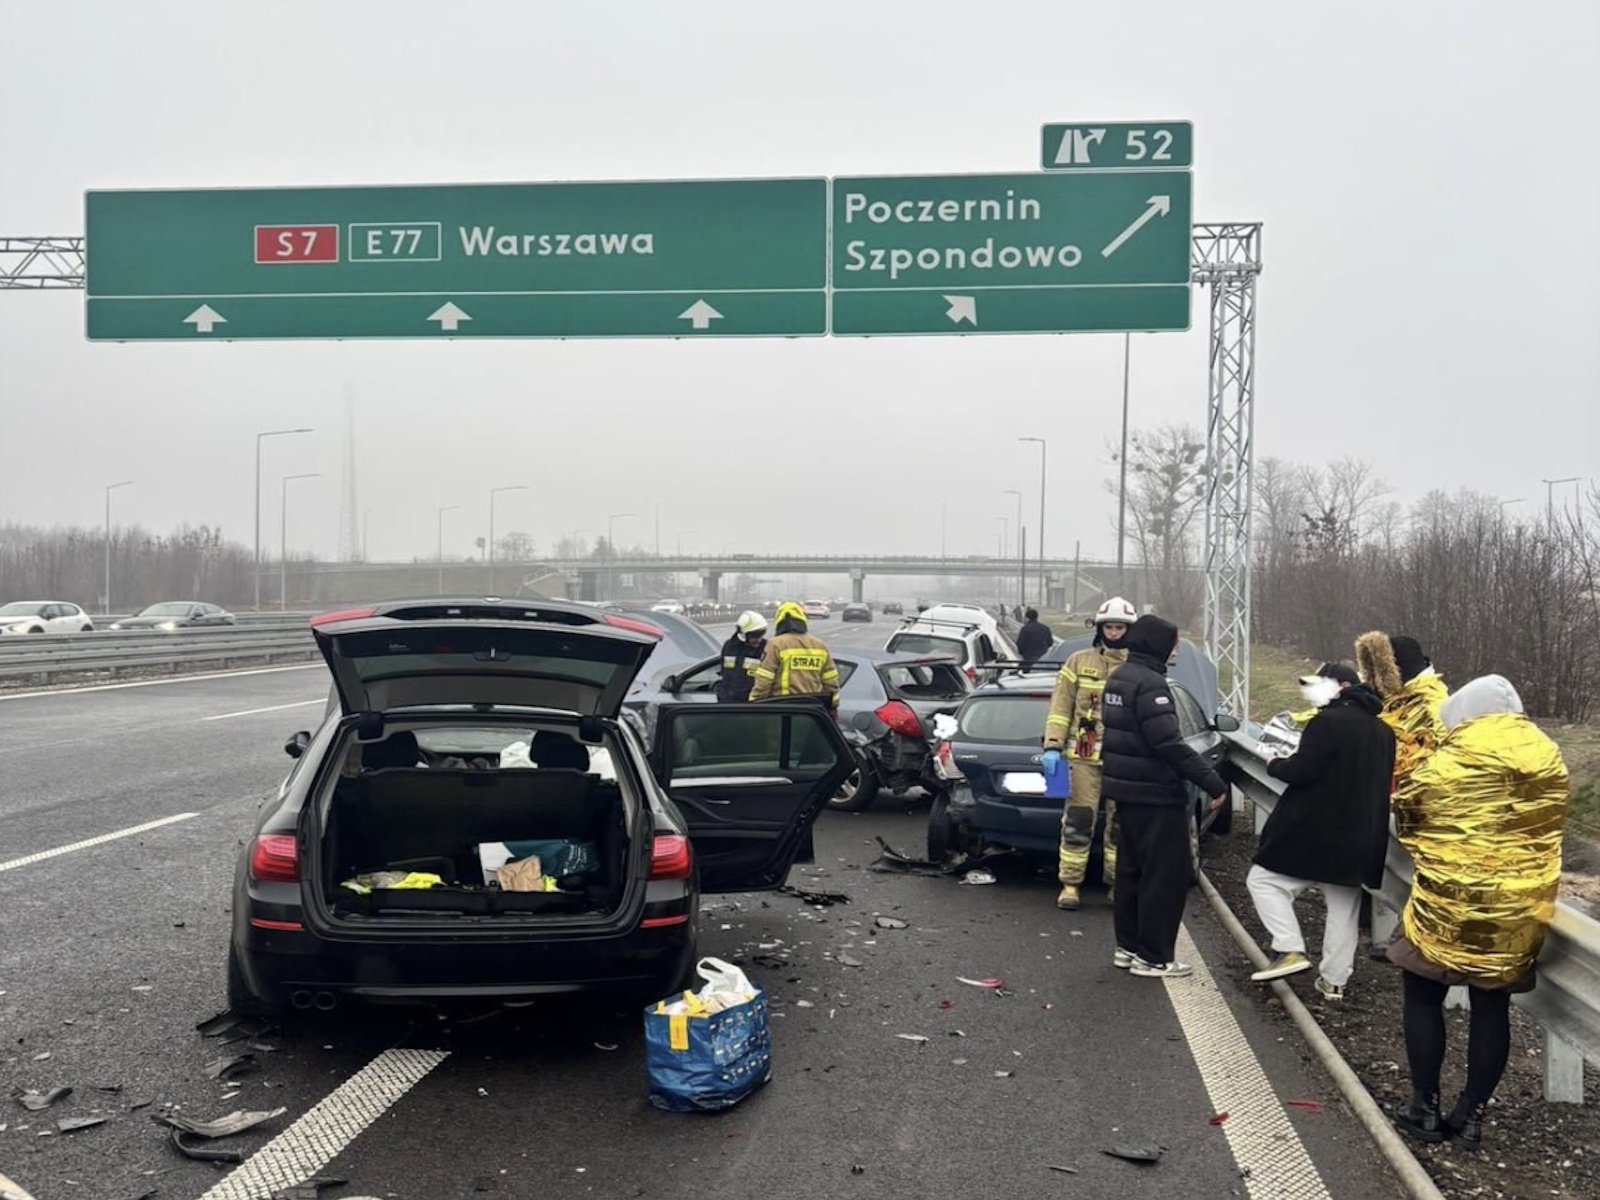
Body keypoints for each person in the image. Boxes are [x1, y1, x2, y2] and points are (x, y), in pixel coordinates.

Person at [1387, 675, 1568, 1149]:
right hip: (1516, 912)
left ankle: (1423, 1106)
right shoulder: (1549, 757)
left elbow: (1408, 817)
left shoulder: (1446, 760)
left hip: (1445, 906)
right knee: (1493, 1009)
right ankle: (1471, 1115)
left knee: (1422, 997)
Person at [1246, 662, 1395, 1001]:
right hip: (1364, 834)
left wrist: (1275, 763)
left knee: (1263, 880)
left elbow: (1302, 771)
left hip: (1317, 831)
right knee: (1344, 907)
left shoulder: (1326, 723)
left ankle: (1289, 949)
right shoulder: (1383, 731)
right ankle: (1334, 983)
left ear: (1341, 686)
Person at [1099, 614, 1229, 977]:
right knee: (1163, 878)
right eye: (1173, 644)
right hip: (1156, 795)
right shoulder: (1153, 685)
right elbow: (1168, 744)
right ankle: (1154, 957)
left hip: (1125, 791)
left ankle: (1127, 947)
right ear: (1159, 644)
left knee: (1131, 872)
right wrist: (1213, 783)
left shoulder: (1120, 677)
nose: (1176, 651)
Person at [1041, 596, 1136, 910]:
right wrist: (1053, 746)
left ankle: (1116, 884)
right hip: (1084, 756)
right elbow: (1060, 707)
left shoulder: (1138, 667)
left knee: (1121, 825)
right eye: (1109, 626)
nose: (1113, 631)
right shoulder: (1078, 662)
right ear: (1100, 628)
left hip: (1124, 759)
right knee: (1079, 819)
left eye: (1119, 626)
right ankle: (1070, 884)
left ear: (1128, 630)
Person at [1355, 632, 1447, 791]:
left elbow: (1437, 750)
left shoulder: (1430, 702)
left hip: (1414, 792)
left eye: (1380, 670)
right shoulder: (1395, 698)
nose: (1376, 677)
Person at [748, 601, 841, 713]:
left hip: (783, 709)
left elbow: (764, 681)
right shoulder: (819, 645)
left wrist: (753, 705)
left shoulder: (775, 645)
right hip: (812, 711)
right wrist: (833, 707)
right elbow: (831, 682)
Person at [715, 611, 768, 703]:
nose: (759, 639)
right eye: (755, 636)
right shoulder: (729, 647)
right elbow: (724, 674)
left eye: (762, 634)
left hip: (753, 705)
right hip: (727, 703)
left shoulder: (766, 648)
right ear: (744, 635)